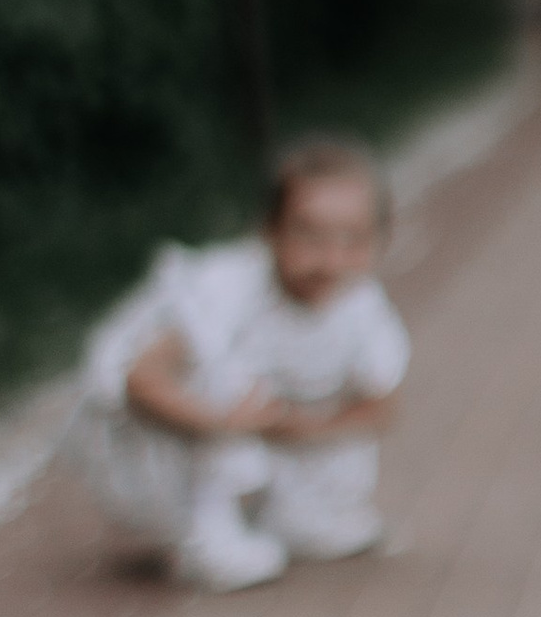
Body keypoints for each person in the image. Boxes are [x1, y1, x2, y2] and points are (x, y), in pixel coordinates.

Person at [66, 136, 409, 592]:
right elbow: (141, 379)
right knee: (225, 368)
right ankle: (206, 533)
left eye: (353, 239)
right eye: (309, 235)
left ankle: (296, 513)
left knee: (342, 432)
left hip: (267, 428)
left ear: (380, 239)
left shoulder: (362, 305)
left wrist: (302, 427)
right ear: (270, 230)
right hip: (150, 442)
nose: (331, 260)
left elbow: (380, 405)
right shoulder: (227, 290)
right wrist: (224, 422)